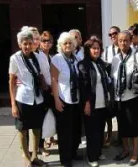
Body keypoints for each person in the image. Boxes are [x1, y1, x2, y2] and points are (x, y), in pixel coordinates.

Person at [111, 31, 138, 166]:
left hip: (133, 98)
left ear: (130, 41)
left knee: (134, 126)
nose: (123, 43)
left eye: (126, 40)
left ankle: (135, 153)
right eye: (120, 40)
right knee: (123, 126)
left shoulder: (137, 56)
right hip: (119, 98)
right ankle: (125, 150)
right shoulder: (115, 59)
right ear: (117, 42)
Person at [9, 28, 46, 167]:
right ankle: (25, 156)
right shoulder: (15, 58)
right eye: (24, 43)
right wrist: (13, 104)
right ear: (20, 44)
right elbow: (11, 81)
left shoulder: (37, 57)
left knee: (36, 128)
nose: (27, 46)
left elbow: (41, 75)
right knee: (22, 129)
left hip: (38, 98)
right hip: (23, 98)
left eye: (29, 43)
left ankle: (35, 155)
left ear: (33, 44)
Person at [78, 38, 110, 167]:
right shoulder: (83, 64)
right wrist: (86, 103)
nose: (96, 50)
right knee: (92, 131)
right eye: (93, 48)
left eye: (98, 48)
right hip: (91, 103)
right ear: (88, 50)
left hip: (102, 102)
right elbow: (83, 86)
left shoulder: (101, 63)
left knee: (101, 128)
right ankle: (92, 157)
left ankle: (98, 152)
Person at [51, 32, 82, 167]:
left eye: (70, 43)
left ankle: (74, 153)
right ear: (61, 46)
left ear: (74, 45)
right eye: (65, 43)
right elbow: (54, 80)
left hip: (76, 99)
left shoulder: (76, 59)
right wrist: (56, 100)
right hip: (63, 99)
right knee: (64, 132)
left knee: (75, 129)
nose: (68, 45)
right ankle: (65, 159)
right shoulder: (57, 59)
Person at [38, 31, 58, 150]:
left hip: (51, 89)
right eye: (44, 41)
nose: (47, 43)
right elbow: (40, 75)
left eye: (49, 41)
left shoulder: (50, 56)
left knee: (50, 115)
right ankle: (41, 146)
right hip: (43, 90)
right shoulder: (38, 56)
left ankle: (50, 137)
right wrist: (48, 89)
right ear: (40, 43)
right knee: (42, 117)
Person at [101, 26, 121, 147]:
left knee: (120, 110)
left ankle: (120, 136)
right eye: (110, 34)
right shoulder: (107, 50)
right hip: (110, 84)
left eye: (115, 33)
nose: (112, 36)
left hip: (123, 85)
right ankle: (109, 135)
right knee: (109, 110)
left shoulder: (126, 48)